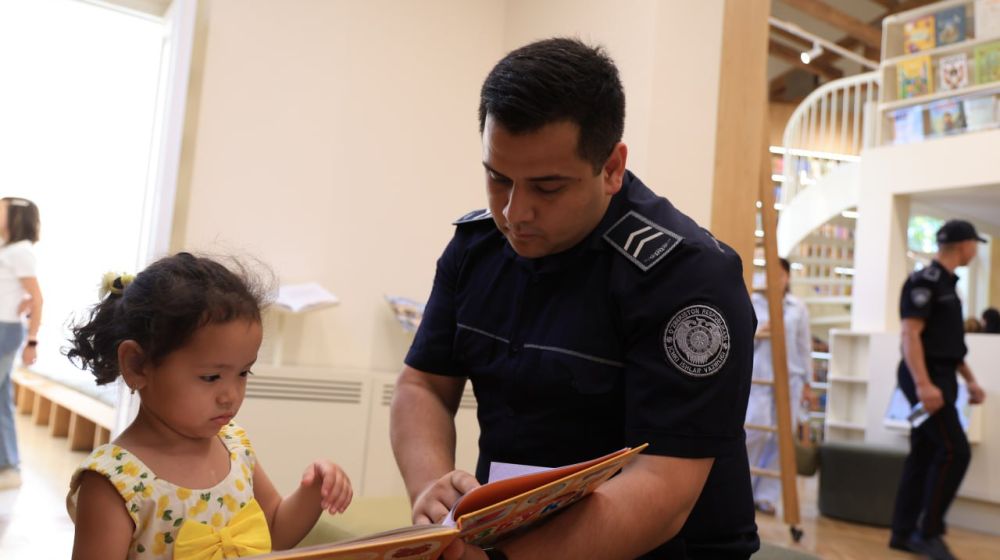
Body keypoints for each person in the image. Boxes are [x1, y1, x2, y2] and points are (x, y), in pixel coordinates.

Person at [390, 38, 758, 559]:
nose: (514, 212)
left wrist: (507, 558)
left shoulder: (687, 278)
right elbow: (423, 385)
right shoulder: (476, 250)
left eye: (547, 188)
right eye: (498, 178)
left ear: (611, 168)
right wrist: (432, 497)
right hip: (504, 537)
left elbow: (663, 490)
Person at [65, 253, 353, 560]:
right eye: (211, 377)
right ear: (137, 365)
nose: (230, 395)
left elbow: (273, 530)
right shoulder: (115, 482)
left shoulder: (234, 445)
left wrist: (314, 491)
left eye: (243, 373)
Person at [889, 220, 987, 560]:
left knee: (924, 451)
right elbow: (910, 334)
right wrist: (923, 385)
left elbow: (949, 346)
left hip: (941, 376)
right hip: (925, 378)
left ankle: (902, 532)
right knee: (955, 451)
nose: (975, 251)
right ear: (964, 245)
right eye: (975, 244)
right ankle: (927, 532)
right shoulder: (925, 281)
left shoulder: (948, 286)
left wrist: (969, 380)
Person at [745, 258, 815, 515]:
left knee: (782, 439)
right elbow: (743, 339)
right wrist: (760, 332)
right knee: (756, 430)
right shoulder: (754, 301)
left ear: (787, 277)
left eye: (781, 274)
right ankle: (745, 488)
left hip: (791, 379)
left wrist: (808, 382)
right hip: (760, 377)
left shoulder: (798, 307)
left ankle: (766, 496)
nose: (776, 279)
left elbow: (804, 345)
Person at [0, 197, 43, 491]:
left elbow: (37, 298)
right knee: (2, 402)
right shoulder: (8, 249)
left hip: (5, 331)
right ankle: (9, 467)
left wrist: (32, 342)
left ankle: (10, 468)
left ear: (15, 216)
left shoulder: (21, 251)